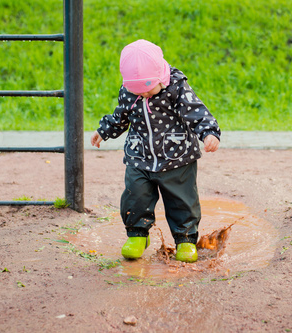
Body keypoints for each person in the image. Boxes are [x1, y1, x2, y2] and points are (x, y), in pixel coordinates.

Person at [91, 39, 220, 263]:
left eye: (148, 89)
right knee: (135, 197)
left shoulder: (176, 87)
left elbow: (195, 110)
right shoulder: (130, 92)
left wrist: (208, 132)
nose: (145, 95)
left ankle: (185, 239)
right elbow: (120, 116)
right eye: (137, 90)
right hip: (139, 157)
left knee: (182, 201)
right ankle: (137, 236)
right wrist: (104, 131)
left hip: (177, 158)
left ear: (161, 76)